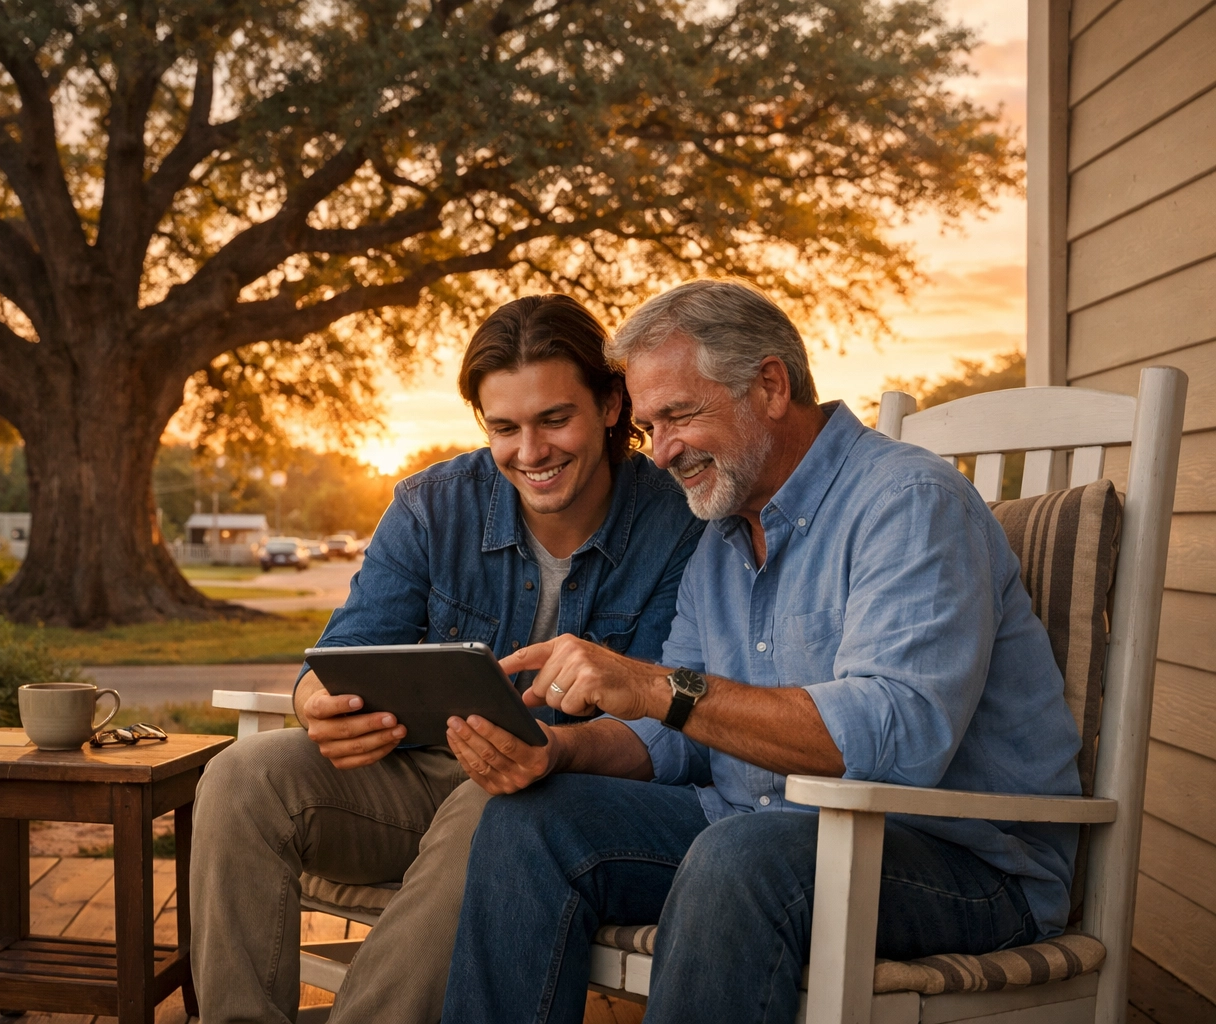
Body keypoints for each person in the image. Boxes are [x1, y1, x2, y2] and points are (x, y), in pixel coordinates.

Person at [439, 280, 1083, 1024]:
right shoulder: (718, 537)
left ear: (771, 385)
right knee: (533, 821)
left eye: (679, 415)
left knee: (741, 858)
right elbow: (673, 740)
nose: (664, 451)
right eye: (648, 427)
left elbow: (897, 738)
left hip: (957, 860)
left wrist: (657, 687)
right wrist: (558, 751)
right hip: (752, 832)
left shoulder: (907, 500)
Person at [186, 294, 705, 1024]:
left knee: (495, 804)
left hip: (574, 791)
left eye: (555, 418)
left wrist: (551, 753)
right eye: (505, 428)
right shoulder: (433, 504)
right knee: (240, 775)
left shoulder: (678, 522)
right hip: (420, 774)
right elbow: (339, 655)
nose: (531, 453)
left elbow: (668, 723)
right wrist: (318, 707)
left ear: (612, 403)